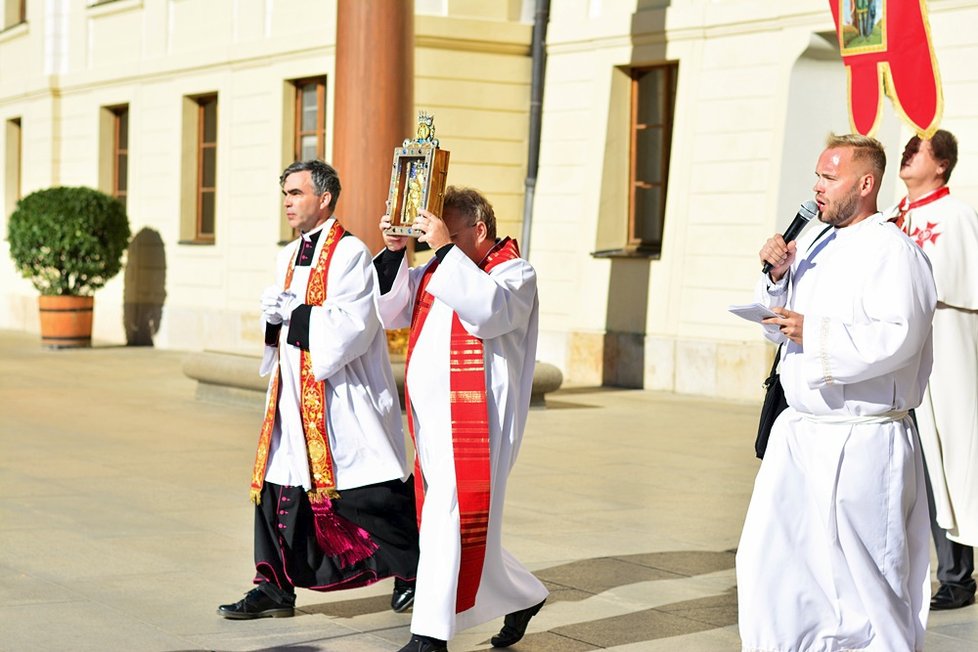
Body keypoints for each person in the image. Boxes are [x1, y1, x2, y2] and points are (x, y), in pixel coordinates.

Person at [737, 134, 937, 650]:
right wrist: (778, 279)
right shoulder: (818, 242)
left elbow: (901, 336)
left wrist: (817, 332)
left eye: (829, 177)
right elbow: (782, 328)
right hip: (801, 436)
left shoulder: (896, 252)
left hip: (863, 438)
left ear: (866, 183)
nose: (816, 187)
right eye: (818, 175)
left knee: (867, 580)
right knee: (775, 563)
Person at [217, 160, 419, 620]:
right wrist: (274, 319)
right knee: (273, 486)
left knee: (367, 494)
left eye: (296, 193)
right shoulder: (287, 254)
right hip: (293, 396)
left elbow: (352, 328)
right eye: (284, 194)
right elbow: (284, 325)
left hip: (340, 397)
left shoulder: (349, 253)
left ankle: (415, 570)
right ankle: (273, 586)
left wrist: (297, 314)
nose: (287, 202)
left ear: (324, 198)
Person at [374, 187, 549, 652]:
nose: (436, 240)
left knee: (446, 516)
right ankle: (522, 594)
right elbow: (392, 310)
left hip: (477, 424)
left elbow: (489, 312)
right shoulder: (441, 265)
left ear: (479, 229)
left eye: (447, 232)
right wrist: (396, 251)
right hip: (434, 422)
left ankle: (429, 638)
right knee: (450, 520)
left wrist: (444, 251)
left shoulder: (514, 271)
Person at [888, 129, 978, 610]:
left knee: (949, 457)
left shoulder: (957, 216)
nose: (906, 152)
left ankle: (957, 575)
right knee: (912, 467)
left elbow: (961, 289)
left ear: (940, 165)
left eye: (916, 148)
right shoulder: (890, 221)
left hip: (945, 354)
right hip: (900, 359)